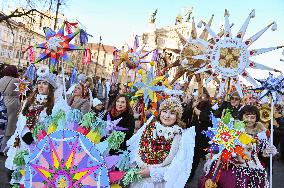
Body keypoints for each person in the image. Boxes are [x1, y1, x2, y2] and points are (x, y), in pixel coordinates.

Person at [4, 66, 70, 183]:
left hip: (40, 145)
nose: (40, 85)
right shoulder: (30, 100)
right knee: (18, 174)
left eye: (45, 83)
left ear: (51, 86)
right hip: (23, 142)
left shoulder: (57, 104)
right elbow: (21, 119)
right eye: (39, 82)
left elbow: (58, 125)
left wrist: (38, 137)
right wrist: (25, 133)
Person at [127, 97, 196, 188]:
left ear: (177, 116)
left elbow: (178, 166)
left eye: (172, 113)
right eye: (164, 111)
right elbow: (137, 150)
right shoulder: (149, 127)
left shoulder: (181, 136)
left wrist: (152, 172)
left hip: (159, 183)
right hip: (139, 179)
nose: (167, 116)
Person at [0, 65, 21, 153]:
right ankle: (3, 148)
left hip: (1, 102)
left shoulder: (1, 79)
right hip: (12, 104)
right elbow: (21, 93)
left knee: (2, 124)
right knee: (10, 127)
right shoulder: (16, 81)